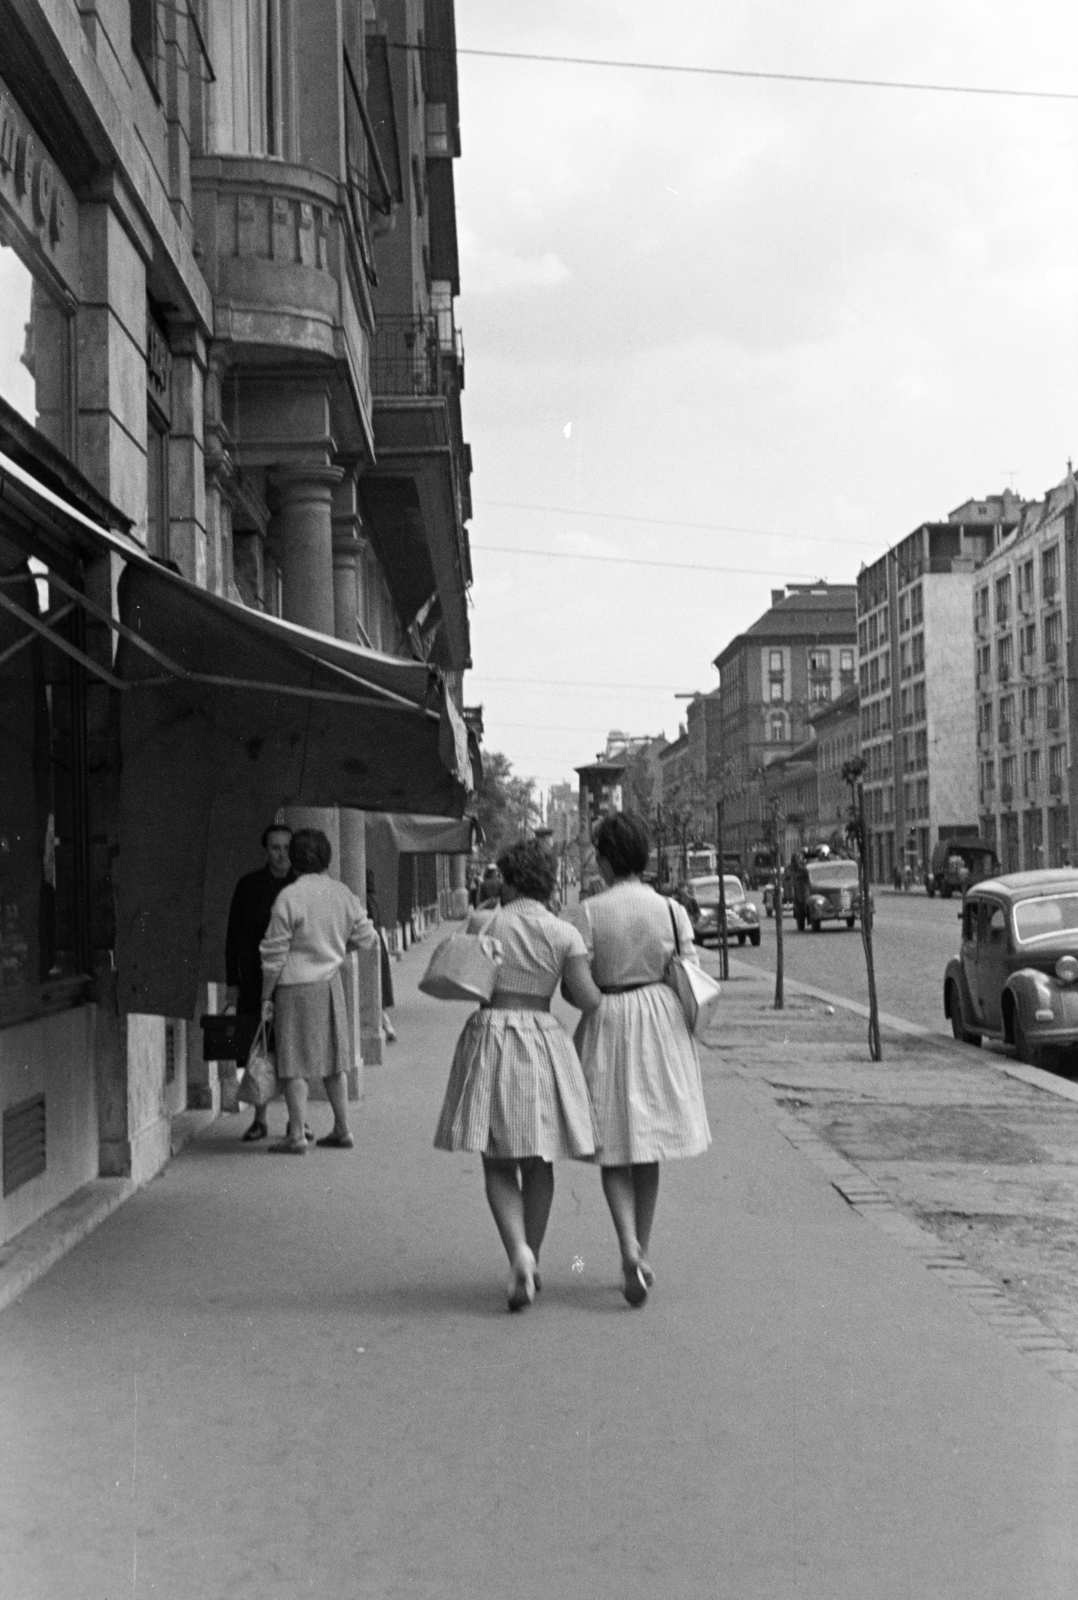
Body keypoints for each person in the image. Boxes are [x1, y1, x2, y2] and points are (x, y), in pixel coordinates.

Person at [433, 838, 602, 1311]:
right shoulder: (564, 933)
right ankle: (534, 1254)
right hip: (542, 1038)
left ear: (506, 879)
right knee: (538, 1156)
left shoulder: (485, 921)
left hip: (490, 1035)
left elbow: (470, 981)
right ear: (548, 882)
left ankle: (517, 1253)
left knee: (496, 1157)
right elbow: (587, 999)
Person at [567, 812, 711, 1308]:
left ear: (606, 859)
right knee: (647, 1142)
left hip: (609, 1016)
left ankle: (626, 1244)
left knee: (613, 1141)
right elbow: (690, 972)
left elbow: (576, 981)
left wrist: (595, 1002)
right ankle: (643, 1250)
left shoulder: (586, 912)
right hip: (659, 1020)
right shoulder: (672, 910)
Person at [259, 829, 380, 1153]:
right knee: (334, 1061)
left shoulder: (289, 897)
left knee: (294, 1063)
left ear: (294, 860)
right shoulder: (342, 894)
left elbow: (273, 954)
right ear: (327, 858)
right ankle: (342, 1128)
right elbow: (367, 938)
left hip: (293, 987)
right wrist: (338, 948)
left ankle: (296, 1134)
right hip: (330, 984)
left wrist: (265, 996)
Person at [224, 823, 295, 1141]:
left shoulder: (301, 885)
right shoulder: (249, 886)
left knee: (294, 1051)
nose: (282, 854)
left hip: (294, 980)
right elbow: (233, 937)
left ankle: (298, 1120)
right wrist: (232, 981)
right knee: (260, 1051)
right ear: (266, 851)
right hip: (255, 980)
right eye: (275, 848)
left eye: (286, 847)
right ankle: (260, 1119)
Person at [365, 868, 397, 1043]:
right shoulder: (374, 899)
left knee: (374, 988)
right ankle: (387, 1026)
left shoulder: (365, 901)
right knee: (378, 988)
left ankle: (387, 1027)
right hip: (379, 944)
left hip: (369, 945)